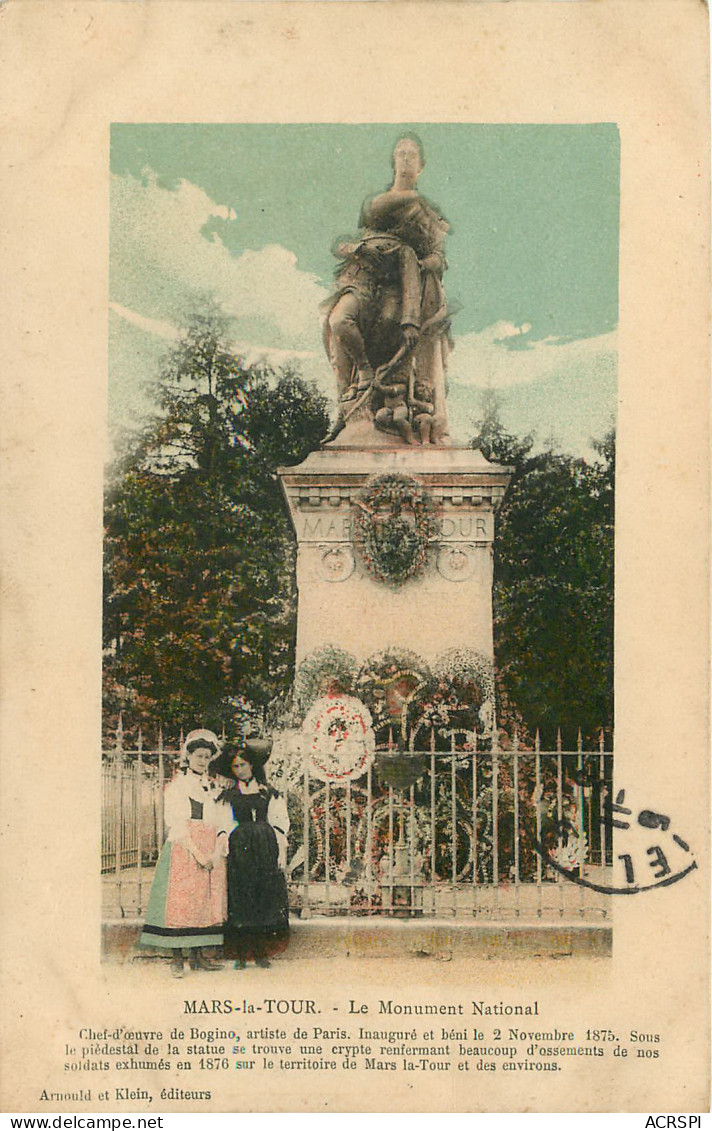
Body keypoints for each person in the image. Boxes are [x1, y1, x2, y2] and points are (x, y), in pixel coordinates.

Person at [322, 134, 451, 444]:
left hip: (405, 285)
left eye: (412, 154)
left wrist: (426, 264)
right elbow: (350, 238)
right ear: (393, 160)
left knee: (394, 323)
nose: (406, 158)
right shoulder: (375, 204)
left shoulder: (428, 212)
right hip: (364, 281)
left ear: (421, 166)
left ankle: (398, 403)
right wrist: (355, 249)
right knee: (337, 320)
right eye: (400, 153)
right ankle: (351, 401)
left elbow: (437, 253)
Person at [139, 729, 230, 978]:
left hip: (209, 847)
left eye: (206, 756)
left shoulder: (212, 786)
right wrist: (197, 853)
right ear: (188, 756)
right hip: (185, 848)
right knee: (181, 902)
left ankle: (198, 956)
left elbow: (220, 817)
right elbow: (176, 823)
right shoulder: (178, 786)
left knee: (202, 901)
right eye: (198, 756)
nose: (202, 760)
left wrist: (217, 846)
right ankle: (177, 959)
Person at [213, 735, 290, 969]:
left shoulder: (269, 794)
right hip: (241, 848)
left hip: (265, 846)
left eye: (243, 765)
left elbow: (280, 822)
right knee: (241, 896)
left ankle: (261, 951)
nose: (239, 770)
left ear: (252, 765)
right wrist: (225, 839)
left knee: (262, 897)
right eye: (235, 766)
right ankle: (241, 953)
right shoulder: (229, 796)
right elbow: (224, 823)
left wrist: (279, 849)